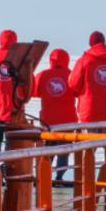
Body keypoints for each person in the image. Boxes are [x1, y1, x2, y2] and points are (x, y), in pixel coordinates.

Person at [34, 48, 78, 180]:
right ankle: (59, 177)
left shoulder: (42, 75)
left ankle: (44, 176)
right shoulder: (71, 75)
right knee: (64, 151)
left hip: (48, 120)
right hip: (67, 119)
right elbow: (78, 91)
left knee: (48, 149)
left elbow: (34, 92)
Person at [68, 31, 106, 124]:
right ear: (104, 42)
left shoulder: (83, 61)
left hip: (88, 113)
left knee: (90, 139)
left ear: (90, 43)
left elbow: (74, 84)